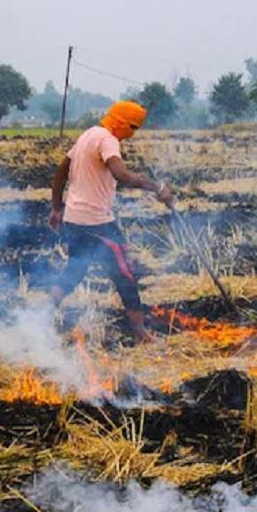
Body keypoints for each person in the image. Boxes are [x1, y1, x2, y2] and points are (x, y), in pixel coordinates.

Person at [48, 100, 174, 343]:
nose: (132, 134)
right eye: (133, 127)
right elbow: (121, 174)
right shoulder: (107, 139)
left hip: (74, 219)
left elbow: (62, 170)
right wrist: (157, 187)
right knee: (125, 273)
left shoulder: (88, 134)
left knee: (75, 268)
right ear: (121, 122)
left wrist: (56, 208)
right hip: (96, 221)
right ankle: (140, 332)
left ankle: (41, 314)